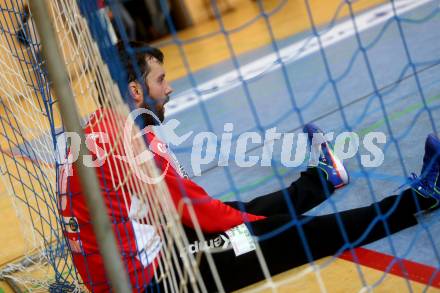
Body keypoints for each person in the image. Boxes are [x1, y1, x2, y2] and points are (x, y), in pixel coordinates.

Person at [58, 41, 440, 292]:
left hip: (135, 263)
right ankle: (419, 200)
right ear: (135, 90)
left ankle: (323, 179)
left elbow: (191, 208)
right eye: (161, 80)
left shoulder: (97, 126)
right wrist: (263, 229)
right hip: (154, 282)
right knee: (293, 233)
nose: (169, 88)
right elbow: (199, 210)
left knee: (239, 215)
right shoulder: (132, 140)